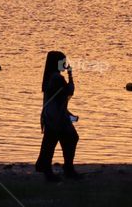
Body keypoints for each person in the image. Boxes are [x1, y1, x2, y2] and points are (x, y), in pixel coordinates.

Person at [35, 50, 80, 181]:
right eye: (63, 61)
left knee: (51, 142)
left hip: (50, 114)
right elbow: (69, 91)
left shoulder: (50, 77)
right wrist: (71, 75)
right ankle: (66, 168)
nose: (65, 64)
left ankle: (50, 169)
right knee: (71, 138)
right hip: (57, 116)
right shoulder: (57, 78)